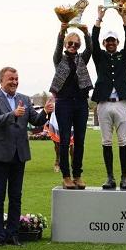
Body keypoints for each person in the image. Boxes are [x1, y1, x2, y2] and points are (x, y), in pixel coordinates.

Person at [0, 67, 54, 246]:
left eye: (16, 78)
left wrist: (45, 112)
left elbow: (36, 121)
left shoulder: (23, 99)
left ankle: (13, 234)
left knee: (16, 196)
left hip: (19, 154)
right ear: (1, 81)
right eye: (10, 79)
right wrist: (12, 114)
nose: (14, 82)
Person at [91, 6, 126, 190]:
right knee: (106, 141)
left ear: (117, 42)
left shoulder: (124, 57)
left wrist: (123, 16)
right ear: (104, 43)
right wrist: (99, 19)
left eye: (113, 41)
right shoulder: (99, 57)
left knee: (123, 141)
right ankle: (110, 177)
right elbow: (92, 39)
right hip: (104, 103)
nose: (110, 43)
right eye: (107, 41)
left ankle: (124, 177)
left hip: (121, 103)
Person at [49, 21, 93, 189]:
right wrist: (61, 32)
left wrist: (86, 33)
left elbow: (90, 49)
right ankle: (66, 175)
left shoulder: (83, 59)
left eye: (76, 44)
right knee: (65, 140)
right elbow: (57, 47)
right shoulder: (59, 59)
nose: (73, 46)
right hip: (64, 103)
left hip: (81, 102)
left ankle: (78, 175)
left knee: (80, 141)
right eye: (70, 43)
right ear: (66, 45)